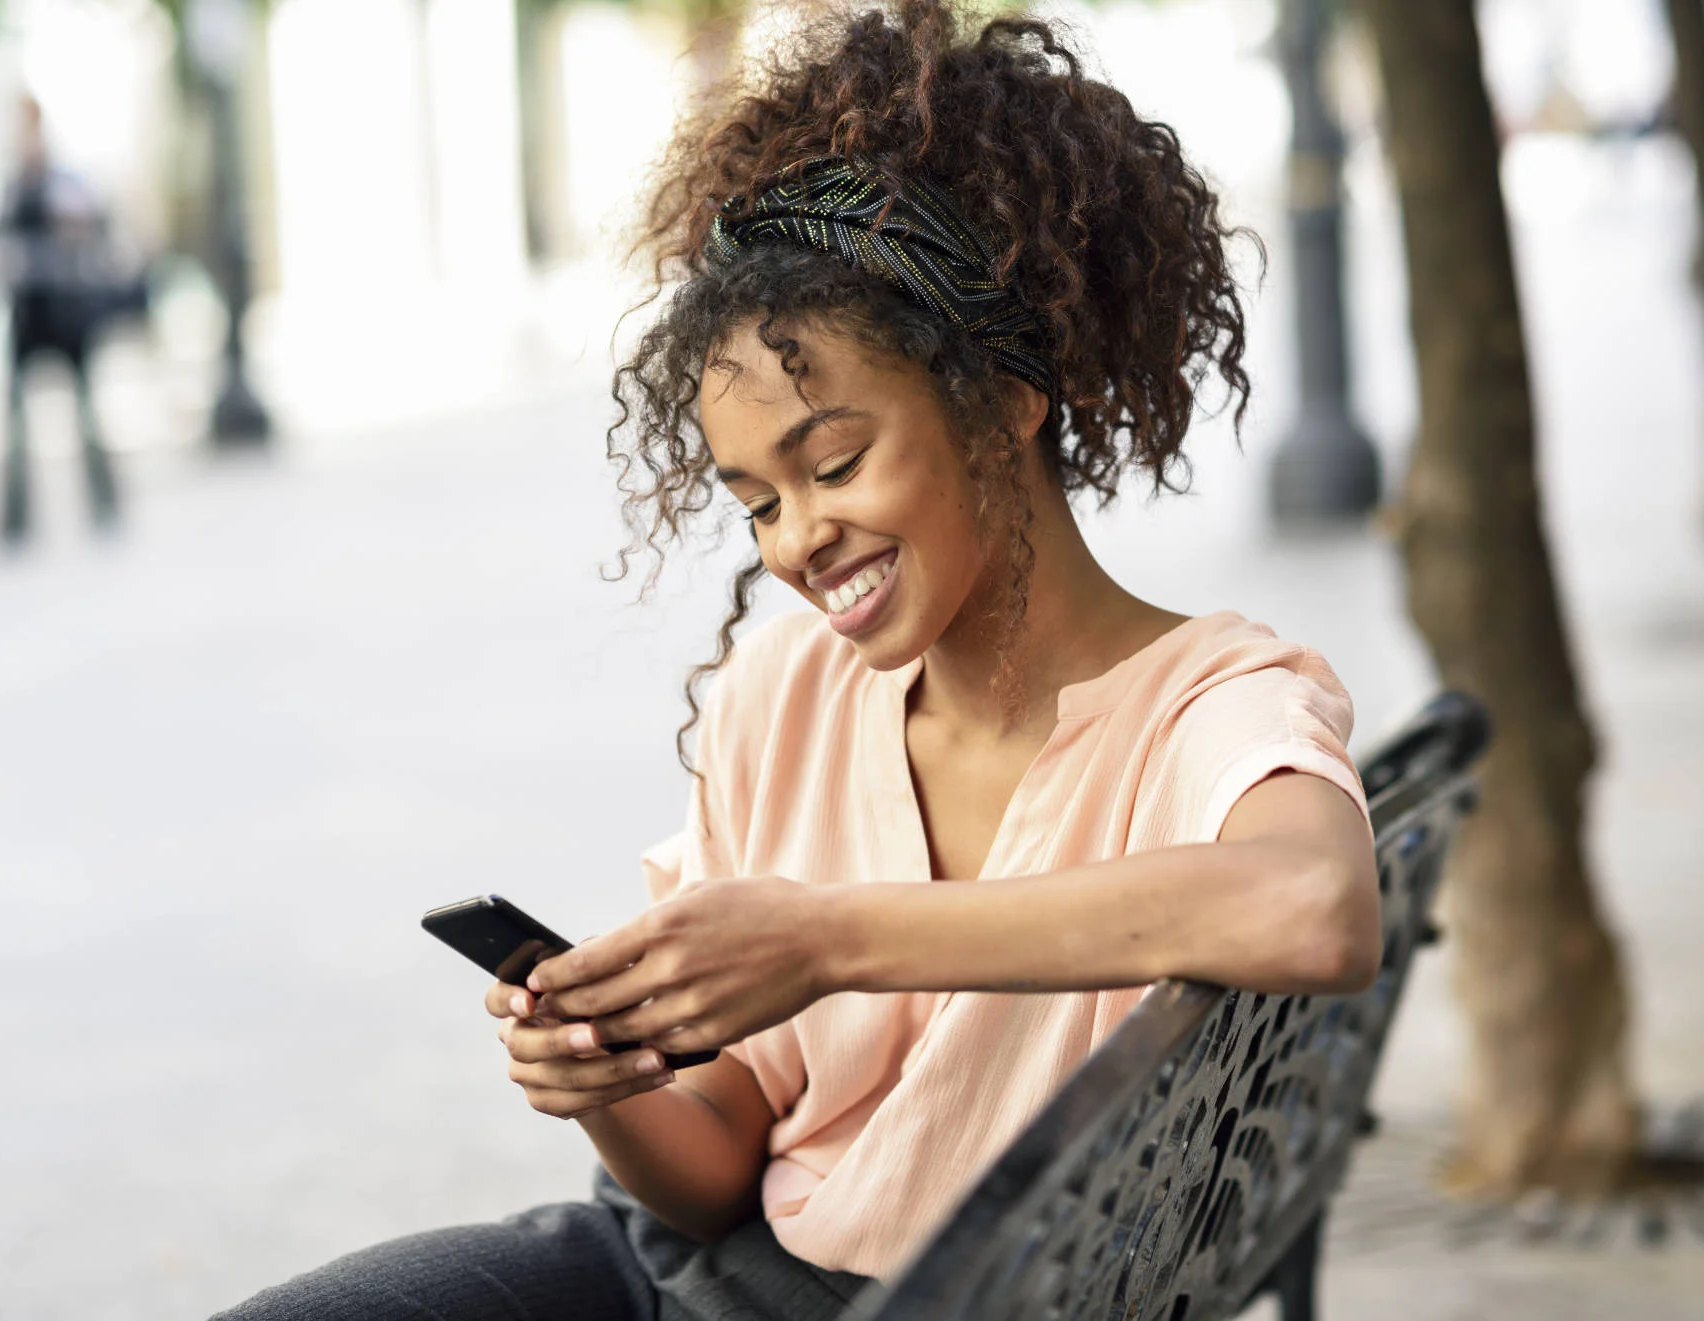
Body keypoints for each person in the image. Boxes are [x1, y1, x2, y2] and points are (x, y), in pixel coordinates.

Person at [217, 2, 1379, 1318]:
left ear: (1003, 401)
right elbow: (719, 1169)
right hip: (682, 1278)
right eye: (756, 501)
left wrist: (830, 938)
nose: (798, 541)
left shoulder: (1208, 705)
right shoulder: (784, 693)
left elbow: (1316, 907)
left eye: (834, 464)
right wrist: (616, 1088)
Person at [0, 96, 121, 544]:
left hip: (69, 314)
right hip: (27, 316)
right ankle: (15, 521)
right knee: (16, 428)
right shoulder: (12, 188)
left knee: (87, 418)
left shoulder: (69, 183)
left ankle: (105, 507)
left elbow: (97, 238)